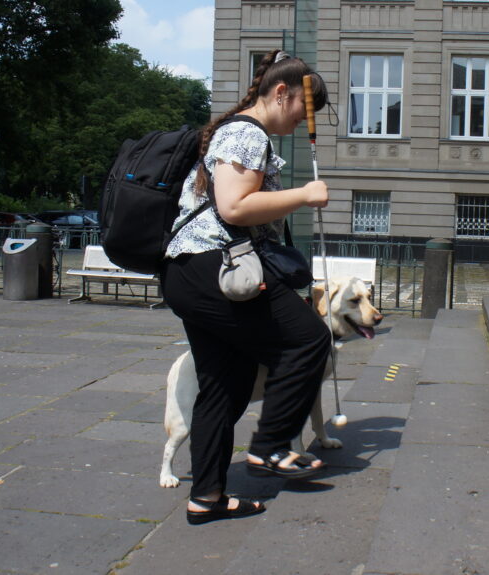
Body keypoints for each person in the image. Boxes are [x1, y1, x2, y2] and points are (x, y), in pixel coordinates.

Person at [160, 49, 332, 525]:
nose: (303, 120)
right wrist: (303, 195)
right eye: (305, 107)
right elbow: (234, 207)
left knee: (223, 385)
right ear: (282, 93)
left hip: (190, 275)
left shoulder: (232, 129)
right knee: (310, 339)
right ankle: (272, 445)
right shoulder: (245, 132)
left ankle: (207, 497)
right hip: (219, 271)